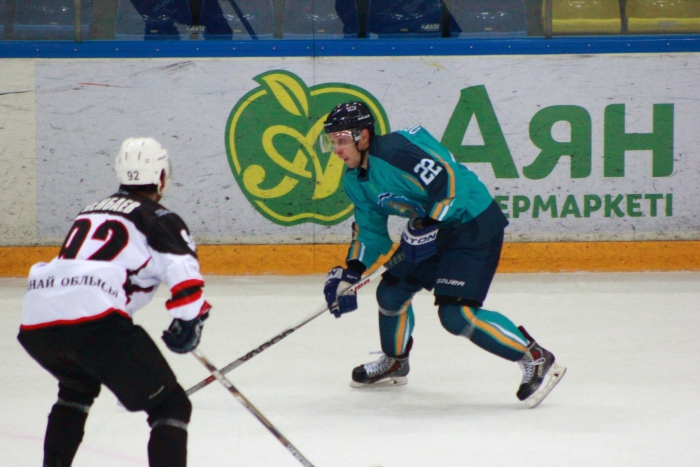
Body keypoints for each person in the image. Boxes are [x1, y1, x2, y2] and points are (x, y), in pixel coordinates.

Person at [321, 102, 566, 408]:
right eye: (332, 142)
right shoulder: (355, 180)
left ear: (365, 137)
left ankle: (536, 357)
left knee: (455, 315)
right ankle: (396, 363)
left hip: (471, 223)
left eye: (342, 140)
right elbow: (370, 232)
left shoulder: (399, 152)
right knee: (391, 293)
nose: (336, 149)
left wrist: (431, 224)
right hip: (431, 228)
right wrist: (353, 272)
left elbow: (450, 180)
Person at [18, 137, 212, 467]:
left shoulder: (91, 211)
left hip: (37, 320)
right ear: (162, 177)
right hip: (95, 324)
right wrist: (189, 319)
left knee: (76, 389)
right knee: (171, 407)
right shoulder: (159, 218)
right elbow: (183, 273)